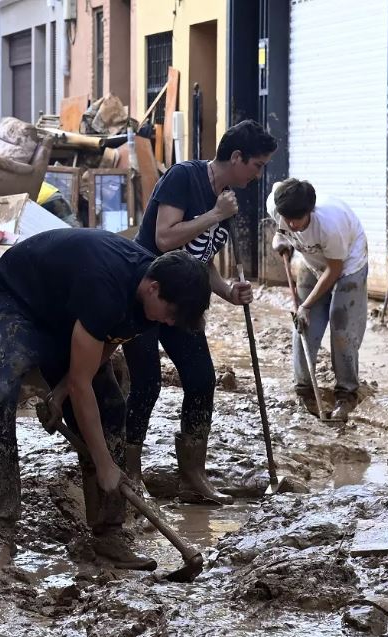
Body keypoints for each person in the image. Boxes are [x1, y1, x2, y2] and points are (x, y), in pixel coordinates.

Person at [0, 228, 212, 569]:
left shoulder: (151, 300)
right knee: (0, 392)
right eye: (171, 313)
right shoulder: (108, 287)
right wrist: (104, 464)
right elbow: (82, 383)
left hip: (69, 316)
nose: (170, 322)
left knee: (112, 407)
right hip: (15, 301)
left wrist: (59, 393)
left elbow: (109, 341)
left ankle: (108, 534)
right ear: (153, 288)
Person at [124, 120, 278, 505]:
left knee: (202, 377)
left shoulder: (228, 198)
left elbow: (201, 257)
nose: (259, 175)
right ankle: (129, 471)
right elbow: (164, 237)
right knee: (147, 383)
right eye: (257, 165)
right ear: (237, 157)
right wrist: (214, 214)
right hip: (149, 294)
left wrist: (228, 290)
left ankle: (193, 474)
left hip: (185, 300)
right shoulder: (185, 177)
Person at [267, 179, 368, 421]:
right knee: (303, 326)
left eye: (297, 219)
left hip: (347, 266)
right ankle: (304, 391)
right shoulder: (277, 205)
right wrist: (280, 238)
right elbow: (278, 192)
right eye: (286, 219)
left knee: (342, 328)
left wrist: (306, 304)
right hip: (312, 262)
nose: (291, 224)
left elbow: (333, 271)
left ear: (310, 211)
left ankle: (346, 395)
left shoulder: (330, 225)